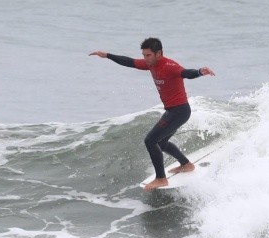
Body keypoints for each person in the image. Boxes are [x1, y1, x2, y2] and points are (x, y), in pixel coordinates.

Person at [89, 37, 215, 191]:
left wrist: (200, 72)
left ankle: (161, 179)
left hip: (179, 111)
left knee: (150, 140)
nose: (145, 58)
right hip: (173, 111)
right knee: (161, 143)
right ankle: (186, 164)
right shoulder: (151, 64)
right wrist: (107, 55)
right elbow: (129, 62)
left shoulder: (169, 66)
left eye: (148, 55)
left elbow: (185, 73)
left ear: (159, 53)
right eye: (143, 55)